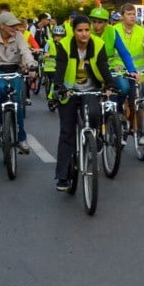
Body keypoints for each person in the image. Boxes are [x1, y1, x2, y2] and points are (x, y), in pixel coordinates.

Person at [53, 15, 117, 191]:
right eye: (80, 30)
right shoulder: (65, 45)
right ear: (73, 32)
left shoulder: (98, 44)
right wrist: (59, 87)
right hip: (69, 91)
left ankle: (94, 138)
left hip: (91, 89)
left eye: (87, 30)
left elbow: (103, 66)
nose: (84, 34)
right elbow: (60, 69)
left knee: (95, 113)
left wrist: (110, 84)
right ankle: (63, 176)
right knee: (67, 132)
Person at [0, 11, 37, 154]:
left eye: (16, 26)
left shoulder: (19, 36)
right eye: (11, 26)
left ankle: (22, 138)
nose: (15, 28)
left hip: (15, 70)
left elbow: (26, 52)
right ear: (2, 25)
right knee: (3, 90)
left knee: (17, 103)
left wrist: (31, 65)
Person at [112, 3, 144, 136]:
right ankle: (119, 112)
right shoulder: (114, 30)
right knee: (123, 90)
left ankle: (137, 129)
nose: (132, 17)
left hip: (138, 73)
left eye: (134, 14)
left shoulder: (142, 31)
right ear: (122, 16)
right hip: (120, 70)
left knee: (136, 102)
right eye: (129, 14)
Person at [87, 7, 138, 114]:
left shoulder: (112, 32)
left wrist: (132, 69)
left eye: (100, 22)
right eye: (94, 21)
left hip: (109, 68)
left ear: (106, 23)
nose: (96, 25)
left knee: (124, 87)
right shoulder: (86, 32)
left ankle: (117, 111)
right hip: (90, 70)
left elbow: (124, 52)